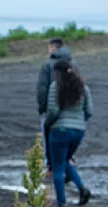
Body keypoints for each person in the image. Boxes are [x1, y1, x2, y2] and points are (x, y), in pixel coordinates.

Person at [45, 60, 93, 207]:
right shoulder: (82, 87)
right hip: (78, 131)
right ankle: (82, 189)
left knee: (58, 166)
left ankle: (61, 205)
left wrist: (48, 124)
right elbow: (89, 111)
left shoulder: (55, 87)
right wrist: (79, 122)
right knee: (66, 160)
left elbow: (53, 111)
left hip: (59, 130)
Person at [38, 38, 75, 169]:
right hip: (71, 107)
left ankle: (51, 167)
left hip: (52, 107)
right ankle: (69, 162)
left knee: (49, 136)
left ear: (53, 48)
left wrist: (42, 107)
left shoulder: (48, 65)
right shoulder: (73, 64)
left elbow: (43, 88)